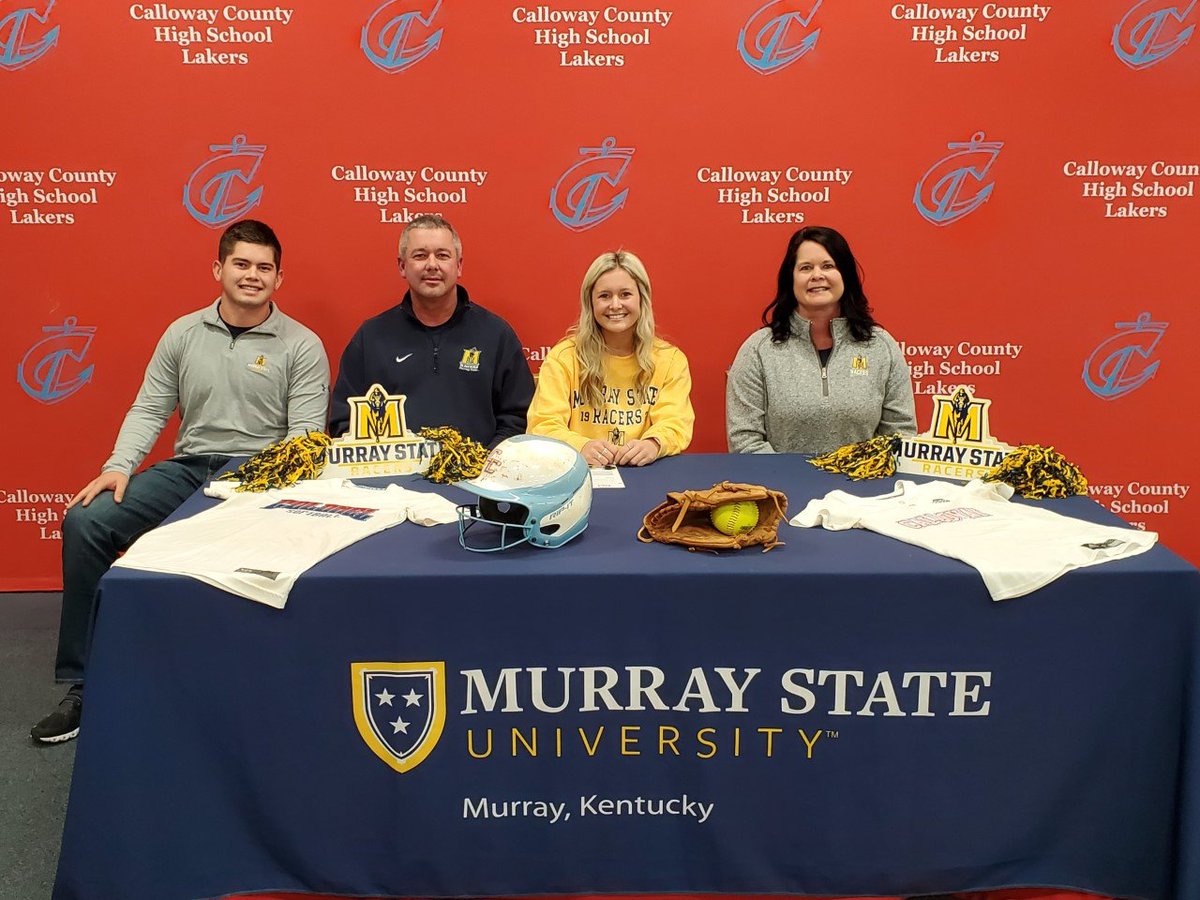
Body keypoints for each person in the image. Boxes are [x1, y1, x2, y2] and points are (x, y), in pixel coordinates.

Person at [31, 219, 330, 744]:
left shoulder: (302, 345)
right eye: (241, 264)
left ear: (279, 279)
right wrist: (119, 465)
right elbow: (150, 407)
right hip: (190, 469)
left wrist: (268, 491)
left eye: (264, 268)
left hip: (259, 476)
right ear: (218, 269)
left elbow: (304, 440)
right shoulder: (183, 333)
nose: (252, 275)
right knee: (86, 521)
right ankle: (84, 684)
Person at [328, 214, 533, 446]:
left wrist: (483, 466)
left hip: (478, 477)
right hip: (393, 478)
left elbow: (518, 419)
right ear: (402, 266)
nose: (432, 265)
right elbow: (345, 423)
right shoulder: (370, 338)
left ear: (459, 266)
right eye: (420, 255)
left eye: (443, 255)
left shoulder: (496, 335)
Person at [726, 225, 915, 455]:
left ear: (845, 275)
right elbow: (744, 441)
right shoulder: (758, 350)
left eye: (828, 266)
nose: (817, 275)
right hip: (783, 488)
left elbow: (900, 436)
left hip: (865, 487)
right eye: (805, 268)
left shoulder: (881, 347)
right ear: (791, 279)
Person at [527, 250, 693, 467]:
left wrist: (653, 443)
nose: (615, 305)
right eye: (604, 296)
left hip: (644, 473)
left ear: (642, 299)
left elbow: (675, 423)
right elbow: (542, 425)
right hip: (578, 472)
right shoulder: (563, 358)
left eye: (625, 294)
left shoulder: (670, 361)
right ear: (591, 303)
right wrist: (580, 446)